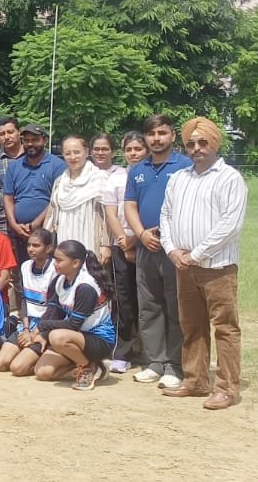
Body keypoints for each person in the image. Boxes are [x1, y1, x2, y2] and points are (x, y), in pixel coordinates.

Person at [159, 117, 247, 410]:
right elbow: (166, 215)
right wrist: (172, 249)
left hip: (217, 267)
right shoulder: (179, 178)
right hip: (184, 266)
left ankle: (226, 388)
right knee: (192, 326)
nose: (196, 148)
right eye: (191, 143)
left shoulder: (230, 178)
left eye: (202, 142)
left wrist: (195, 254)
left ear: (215, 143)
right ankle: (195, 381)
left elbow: (230, 225)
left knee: (225, 328)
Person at [124, 114, 191, 388]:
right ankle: (155, 362)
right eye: (151, 134)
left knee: (176, 307)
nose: (156, 138)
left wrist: (169, 238)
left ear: (172, 135)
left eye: (162, 133)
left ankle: (176, 365)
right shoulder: (137, 170)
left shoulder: (185, 166)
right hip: (146, 247)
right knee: (149, 306)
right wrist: (141, 234)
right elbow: (130, 205)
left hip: (175, 249)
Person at [33, 240, 116, 391]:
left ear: (76, 263)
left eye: (59, 260)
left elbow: (73, 324)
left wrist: (42, 326)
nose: (55, 264)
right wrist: (42, 333)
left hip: (99, 339)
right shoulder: (60, 280)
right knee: (42, 372)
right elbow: (55, 311)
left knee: (57, 337)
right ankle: (95, 364)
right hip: (76, 338)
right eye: (55, 259)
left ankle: (87, 367)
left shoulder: (85, 287)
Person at [100, 132, 147, 373]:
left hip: (149, 243)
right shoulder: (116, 178)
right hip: (121, 245)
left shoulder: (152, 175)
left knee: (149, 300)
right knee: (124, 300)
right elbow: (110, 213)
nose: (133, 153)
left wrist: (137, 240)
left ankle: (151, 352)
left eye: (138, 149)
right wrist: (124, 242)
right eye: (129, 149)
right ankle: (123, 352)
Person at [3, 124, 65, 279]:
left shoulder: (57, 165)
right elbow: (8, 197)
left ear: (44, 140)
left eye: (35, 140)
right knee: (25, 274)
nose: (30, 144)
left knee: (50, 273)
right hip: (20, 233)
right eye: (26, 140)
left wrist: (36, 223)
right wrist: (14, 224)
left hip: (47, 230)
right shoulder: (14, 166)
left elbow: (56, 198)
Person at [0, 229, 57, 376]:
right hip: (28, 325)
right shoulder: (25, 266)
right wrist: (26, 330)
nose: (30, 249)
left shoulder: (55, 269)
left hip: (46, 326)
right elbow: (24, 301)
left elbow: (54, 308)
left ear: (48, 248)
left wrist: (36, 333)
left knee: (17, 368)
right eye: (29, 245)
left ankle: (44, 354)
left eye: (36, 246)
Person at [45, 136, 110, 260]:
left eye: (76, 152)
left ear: (86, 152)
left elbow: (107, 215)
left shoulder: (99, 178)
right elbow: (52, 214)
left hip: (90, 237)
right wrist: (45, 241)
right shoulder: (60, 182)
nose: (72, 157)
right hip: (65, 236)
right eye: (68, 153)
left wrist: (105, 244)